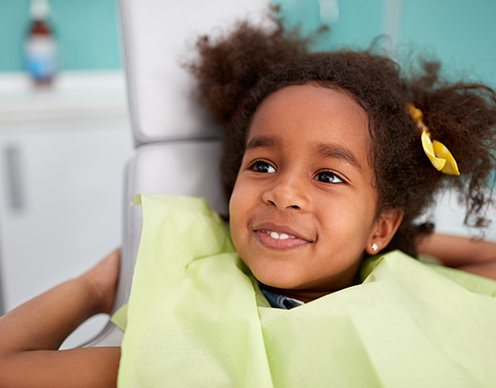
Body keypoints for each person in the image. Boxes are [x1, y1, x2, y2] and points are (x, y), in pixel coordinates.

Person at [1, 10, 496, 387]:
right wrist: (95, 286)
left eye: (328, 175)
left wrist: (399, 245)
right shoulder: (194, 333)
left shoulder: (413, 293)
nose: (282, 192)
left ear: (382, 225)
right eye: (261, 165)